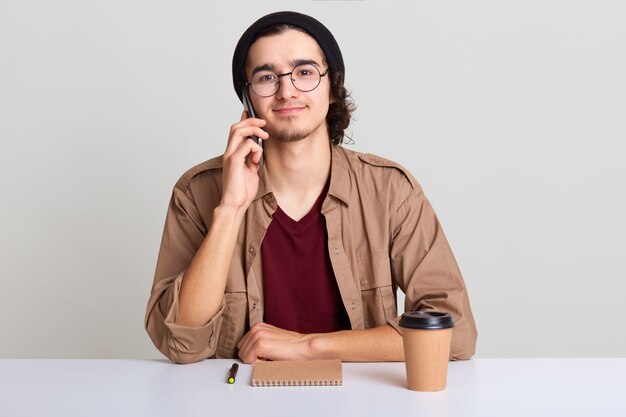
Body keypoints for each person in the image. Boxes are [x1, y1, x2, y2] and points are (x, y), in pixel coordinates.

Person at [145, 11, 477, 364]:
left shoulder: (390, 191)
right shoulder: (196, 193)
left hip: (364, 400)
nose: (286, 91)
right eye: (267, 77)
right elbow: (181, 343)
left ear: (333, 87)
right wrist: (230, 210)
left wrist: (308, 346)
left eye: (304, 72)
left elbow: (454, 335)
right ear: (247, 100)